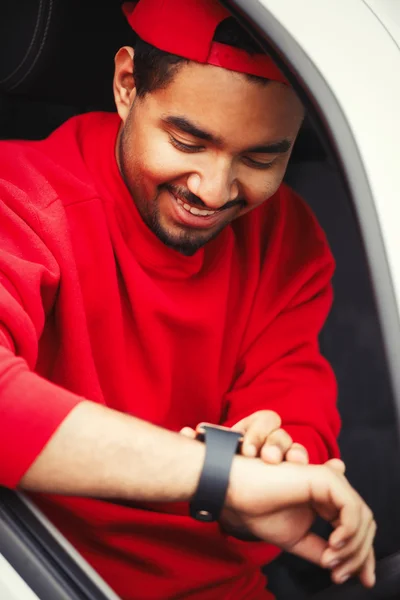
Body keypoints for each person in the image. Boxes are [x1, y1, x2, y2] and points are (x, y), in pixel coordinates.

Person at [0, 0, 376, 598]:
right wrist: (219, 477)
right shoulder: (22, 197)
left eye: (260, 157)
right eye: (188, 141)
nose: (215, 189)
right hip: (49, 577)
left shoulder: (286, 236)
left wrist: (282, 459)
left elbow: (296, 403)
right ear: (127, 86)